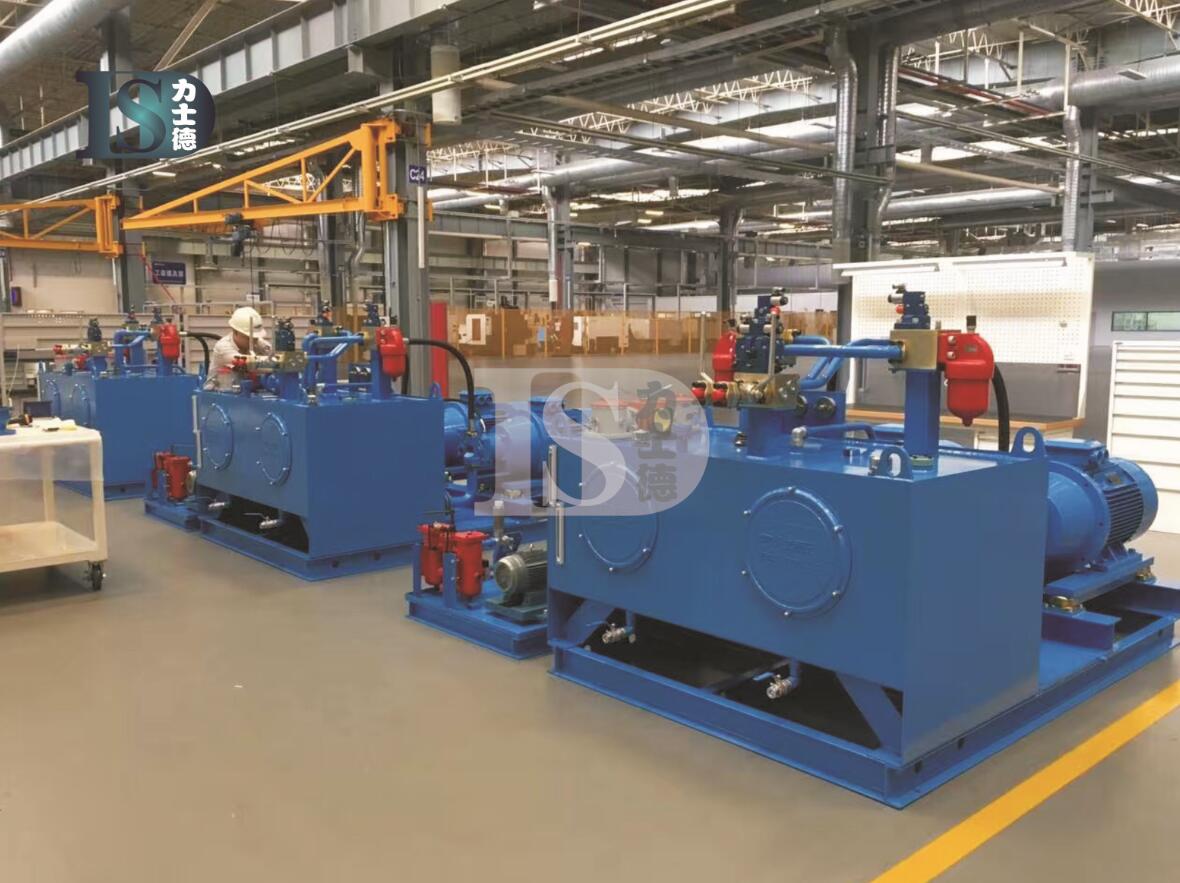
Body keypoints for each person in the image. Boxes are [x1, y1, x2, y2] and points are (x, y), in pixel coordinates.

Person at [206, 306, 272, 388]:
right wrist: (278, 362)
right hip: (220, 392)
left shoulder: (258, 342)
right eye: (248, 338)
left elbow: (273, 355)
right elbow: (245, 362)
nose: (254, 341)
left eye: (256, 338)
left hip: (248, 392)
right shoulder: (223, 347)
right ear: (235, 331)